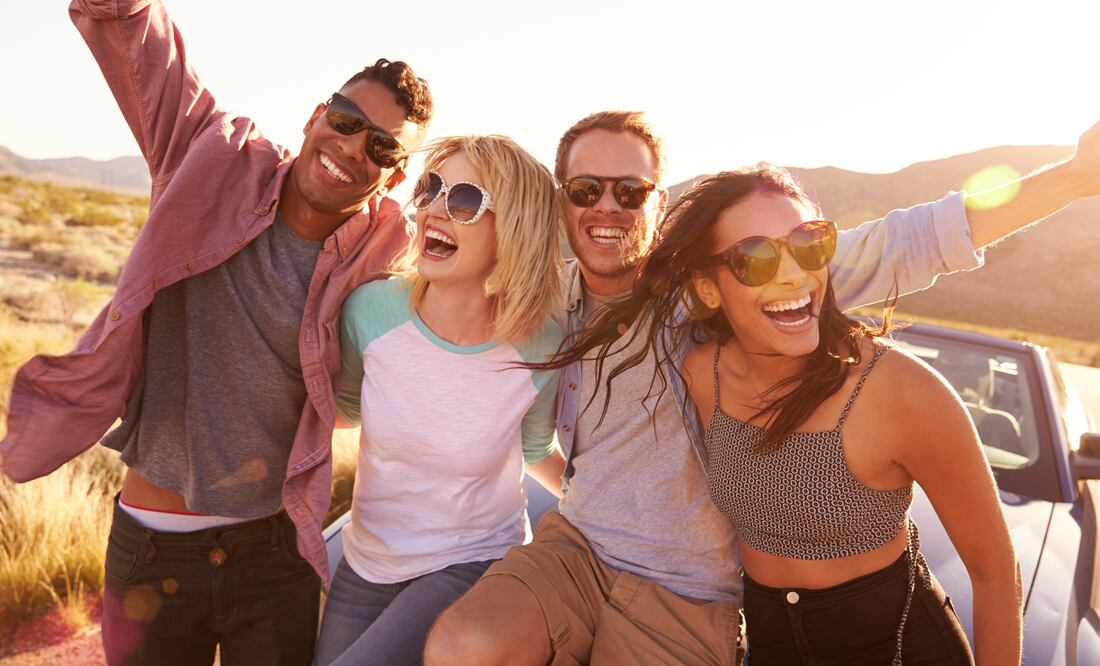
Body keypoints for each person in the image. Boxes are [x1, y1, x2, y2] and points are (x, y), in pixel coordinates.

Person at [425, 111, 1100, 665]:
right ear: (562, 201)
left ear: (657, 204)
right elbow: (453, 278)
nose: (608, 207)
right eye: (586, 190)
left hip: (694, 589)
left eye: (629, 192)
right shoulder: (550, 301)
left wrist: (1070, 179)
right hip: (581, 550)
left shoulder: (705, 299)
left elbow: (906, 242)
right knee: (460, 646)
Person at [0, 1, 432, 664]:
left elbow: (489, 268)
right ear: (317, 115)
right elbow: (140, 42)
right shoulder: (211, 156)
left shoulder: (386, 247)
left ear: (394, 175)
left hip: (275, 555)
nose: (352, 148)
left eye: (380, 146)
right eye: (346, 122)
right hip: (153, 546)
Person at [545, 165, 1021, 663]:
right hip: (768, 647)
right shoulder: (700, 375)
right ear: (709, 290)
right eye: (755, 257)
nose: (794, 273)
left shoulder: (900, 391)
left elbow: (994, 571)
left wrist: (1072, 179)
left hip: (898, 647)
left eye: (809, 244)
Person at [311, 135, 566, 665]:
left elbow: (536, 450)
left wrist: (611, 520)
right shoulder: (370, 312)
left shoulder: (540, 347)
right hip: (367, 561)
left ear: (513, 228)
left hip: (472, 561)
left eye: (465, 199)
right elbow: (344, 412)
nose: (433, 209)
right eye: (430, 189)